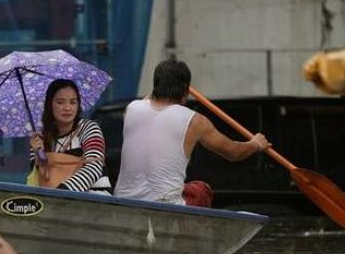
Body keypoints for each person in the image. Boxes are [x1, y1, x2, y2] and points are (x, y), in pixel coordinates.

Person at [114, 60, 271, 206]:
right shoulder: (195, 121)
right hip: (166, 204)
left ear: (155, 85)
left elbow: (149, 100)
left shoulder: (132, 109)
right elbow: (233, 153)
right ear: (186, 91)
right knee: (201, 190)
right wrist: (256, 144)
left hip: (124, 199)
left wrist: (165, 85)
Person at [27, 79, 111, 192]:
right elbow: (39, 178)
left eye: (72, 102)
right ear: (49, 104)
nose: (67, 108)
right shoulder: (40, 137)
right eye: (60, 102)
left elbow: (94, 167)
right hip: (54, 199)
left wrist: (64, 191)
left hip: (93, 198)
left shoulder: (88, 128)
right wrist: (39, 155)